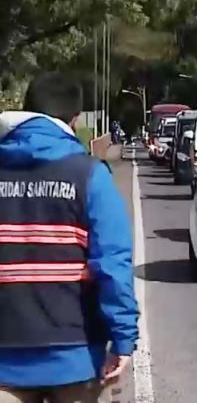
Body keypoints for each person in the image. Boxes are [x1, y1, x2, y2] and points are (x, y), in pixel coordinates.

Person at [0, 72, 139, 401]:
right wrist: (122, 339)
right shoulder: (89, 175)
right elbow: (112, 264)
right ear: (75, 118)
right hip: (75, 355)